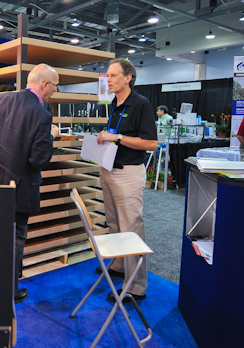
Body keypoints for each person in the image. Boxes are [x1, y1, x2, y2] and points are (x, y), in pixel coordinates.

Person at [0, 63, 60, 303]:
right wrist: (51, 136)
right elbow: (38, 159)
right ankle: (7, 291)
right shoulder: (42, 115)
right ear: (45, 84)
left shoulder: (1, 99)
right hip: (18, 191)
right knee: (14, 239)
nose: (55, 91)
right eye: (55, 86)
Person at [96, 58, 157, 303]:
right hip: (109, 170)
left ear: (128, 78)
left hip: (128, 173)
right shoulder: (114, 104)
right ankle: (120, 265)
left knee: (131, 228)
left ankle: (136, 286)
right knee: (114, 223)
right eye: (107, 75)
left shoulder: (141, 104)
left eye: (113, 75)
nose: (108, 79)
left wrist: (118, 137)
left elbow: (151, 143)